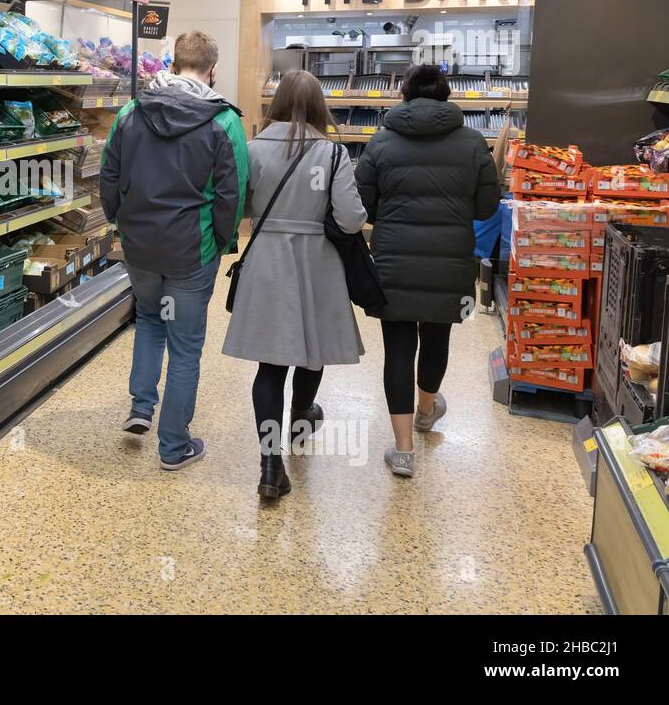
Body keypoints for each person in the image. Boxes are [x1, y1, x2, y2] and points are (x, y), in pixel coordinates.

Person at [100, 31, 248, 470]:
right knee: (185, 347)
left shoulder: (130, 112)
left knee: (149, 320)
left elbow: (109, 177)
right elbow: (232, 194)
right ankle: (174, 446)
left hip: (140, 247)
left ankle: (141, 409)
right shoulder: (223, 122)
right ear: (212, 70)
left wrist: (121, 223)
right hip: (191, 250)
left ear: (172, 62)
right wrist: (220, 241)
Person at [221, 70, 368, 500]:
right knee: (312, 347)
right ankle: (302, 417)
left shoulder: (253, 148)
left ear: (278, 102)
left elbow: (242, 205)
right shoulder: (333, 152)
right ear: (320, 105)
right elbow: (351, 218)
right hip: (317, 260)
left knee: (269, 365)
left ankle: (270, 464)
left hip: (267, 259)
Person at [355, 63, 500, 478]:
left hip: (394, 260)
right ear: (446, 96)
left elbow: (363, 209)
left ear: (404, 95)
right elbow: (487, 208)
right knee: (437, 335)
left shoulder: (380, 144)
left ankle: (402, 450)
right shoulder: (474, 144)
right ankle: (425, 411)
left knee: (398, 348)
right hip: (449, 261)